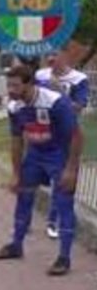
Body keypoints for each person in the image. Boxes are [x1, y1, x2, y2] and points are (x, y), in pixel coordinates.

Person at [0, 65, 83, 276]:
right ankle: (16, 245)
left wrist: (71, 169)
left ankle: (64, 258)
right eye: (8, 85)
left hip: (59, 156)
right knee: (23, 197)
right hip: (35, 155)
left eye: (15, 86)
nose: (11, 90)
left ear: (30, 84)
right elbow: (16, 140)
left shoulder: (56, 102)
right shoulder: (14, 106)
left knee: (63, 203)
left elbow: (77, 136)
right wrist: (16, 173)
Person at [35, 49, 90, 239]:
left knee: (63, 181)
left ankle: (55, 221)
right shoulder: (40, 75)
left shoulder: (78, 79)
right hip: (42, 133)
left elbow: (78, 108)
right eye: (48, 55)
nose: (50, 59)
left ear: (66, 56)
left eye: (55, 54)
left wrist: (59, 92)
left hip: (66, 136)